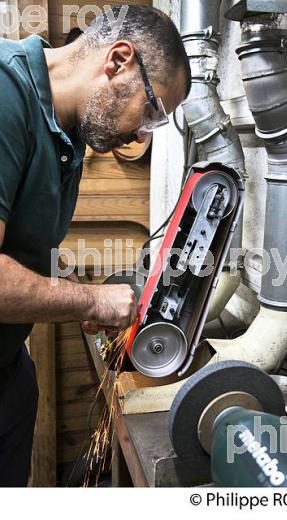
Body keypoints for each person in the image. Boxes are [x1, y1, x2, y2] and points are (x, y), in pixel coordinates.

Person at [0, 4, 191, 486]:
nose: (141, 132)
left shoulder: (72, 130)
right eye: (151, 111)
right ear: (119, 60)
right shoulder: (6, 94)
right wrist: (90, 298)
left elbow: (23, 241)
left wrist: (64, 284)